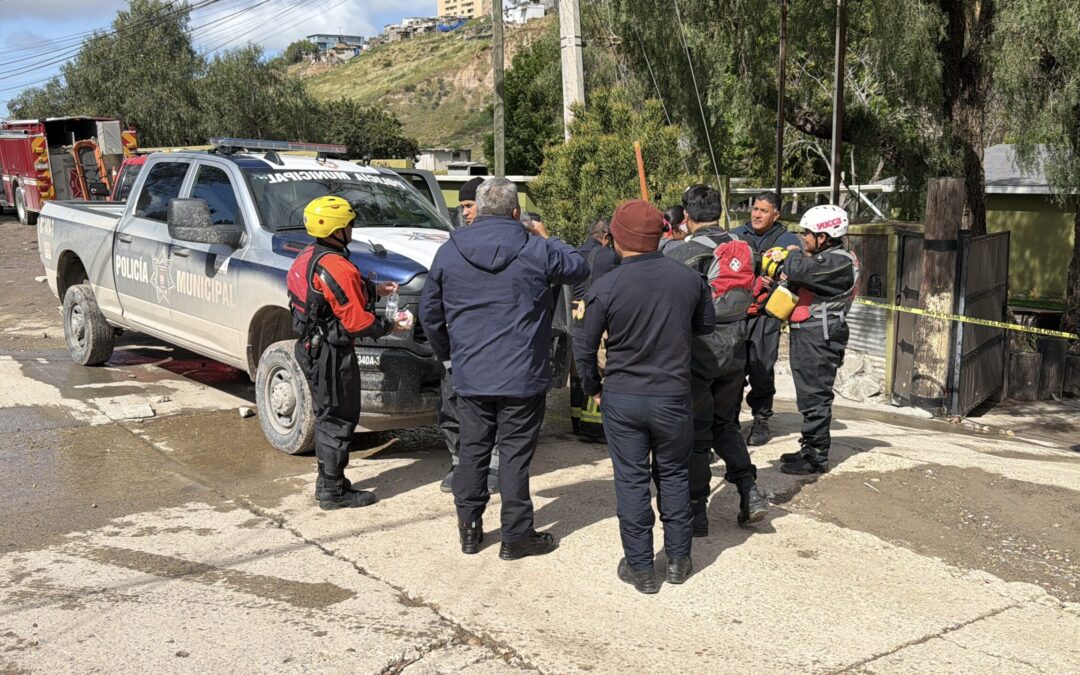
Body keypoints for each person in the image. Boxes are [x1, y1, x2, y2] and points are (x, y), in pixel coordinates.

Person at [420, 178, 589, 558]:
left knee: (472, 450)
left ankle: (469, 529)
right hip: (522, 374)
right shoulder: (535, 248)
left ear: (476, 209)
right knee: (514, 455)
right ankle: (516, 536)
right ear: (516, 213)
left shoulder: (449, 251)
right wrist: (546, 236)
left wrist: (448, 354)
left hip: (470, 372)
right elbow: (579, 267)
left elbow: (429, 313)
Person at [577, 199, 713, 594]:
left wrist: (592, 388)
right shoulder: (688, 279)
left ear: (616, 237)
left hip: (622, 395)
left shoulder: (605, 286)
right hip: (672, 394)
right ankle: (678, 559)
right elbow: (704, 326)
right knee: (673, 473)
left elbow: (584, 348)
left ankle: (640, 568)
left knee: (631, 480)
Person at [287, 196, 406, 510]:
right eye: (350, 223)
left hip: (312, 346)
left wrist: (374, 290)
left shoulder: (310, 255)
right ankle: (332, 491)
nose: (353, 227)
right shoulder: (336, 264)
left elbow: (328, 294)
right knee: (337, 418)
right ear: (337, 228)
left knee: (330, 414)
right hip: (330, 353)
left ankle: (330, 481)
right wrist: (392, 326)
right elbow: (358, 321)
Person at [664, 185, 769, 536]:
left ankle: (697, 513)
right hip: (736, 349)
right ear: (720, 213)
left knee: (695, 433)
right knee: (725, 425)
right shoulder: (746, 247)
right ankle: (749, 491)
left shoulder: (684, 252)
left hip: (699, 351)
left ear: (687, 216)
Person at [768, 204, 859, 475]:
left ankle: (817, 456)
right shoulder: (826, 259)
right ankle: (810, 446)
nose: (802, 238)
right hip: (810, 334)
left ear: (824, 236)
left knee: (815, 397)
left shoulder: (838, 261)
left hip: (821, 336)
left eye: (807, 233)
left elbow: (798, 271)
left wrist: (791, 253)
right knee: (808, 395)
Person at [436, 176, 500, 495]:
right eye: (462, 207)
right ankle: (459, 462)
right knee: (452, 402)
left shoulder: (506, 244)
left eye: (469, 205)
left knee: (498, 406)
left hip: (495, 342)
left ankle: (495, 465)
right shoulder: (454, 245)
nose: (466, 213)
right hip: (460, 342)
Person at [731, 192, 802, 446]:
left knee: (762, 367)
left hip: (767, 315)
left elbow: (799, 270)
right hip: (738, 313)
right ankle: (729, 420)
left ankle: (761, 418)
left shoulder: (789, 240)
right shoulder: (738, 235)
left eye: (763, 210)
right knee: (733, 368)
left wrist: (788, 266)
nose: (757, 214)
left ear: (776, 214)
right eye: (755, 209)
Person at [569, 217, 618, 443]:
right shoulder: (608, 256)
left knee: (578, 371)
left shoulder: (573, 253)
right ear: (606, 237)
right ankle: (594, 427)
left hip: (573, 314)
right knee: (599, 367)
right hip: (594, 316)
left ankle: (577, 421)